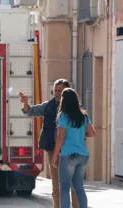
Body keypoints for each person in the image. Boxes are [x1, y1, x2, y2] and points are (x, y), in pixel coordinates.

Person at [18, 78, 79, 208]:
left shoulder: (75, 109)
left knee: (74, 184)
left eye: (60, 91)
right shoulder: (48, 106)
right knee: (56, 184)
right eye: (55, 91)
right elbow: (31, 111)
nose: (57, 94)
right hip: (53, 150)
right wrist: (25, 103)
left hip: (71, 150)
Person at [51, 88, 96, 208]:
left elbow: (61, 137)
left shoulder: (63, 116)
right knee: (79, 188)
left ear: (63, 100)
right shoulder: (83, 115)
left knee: (65, 187)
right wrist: (81, 135)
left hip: (68, 155)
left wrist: (55, 155)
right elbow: (92, 134)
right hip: (83, 155)